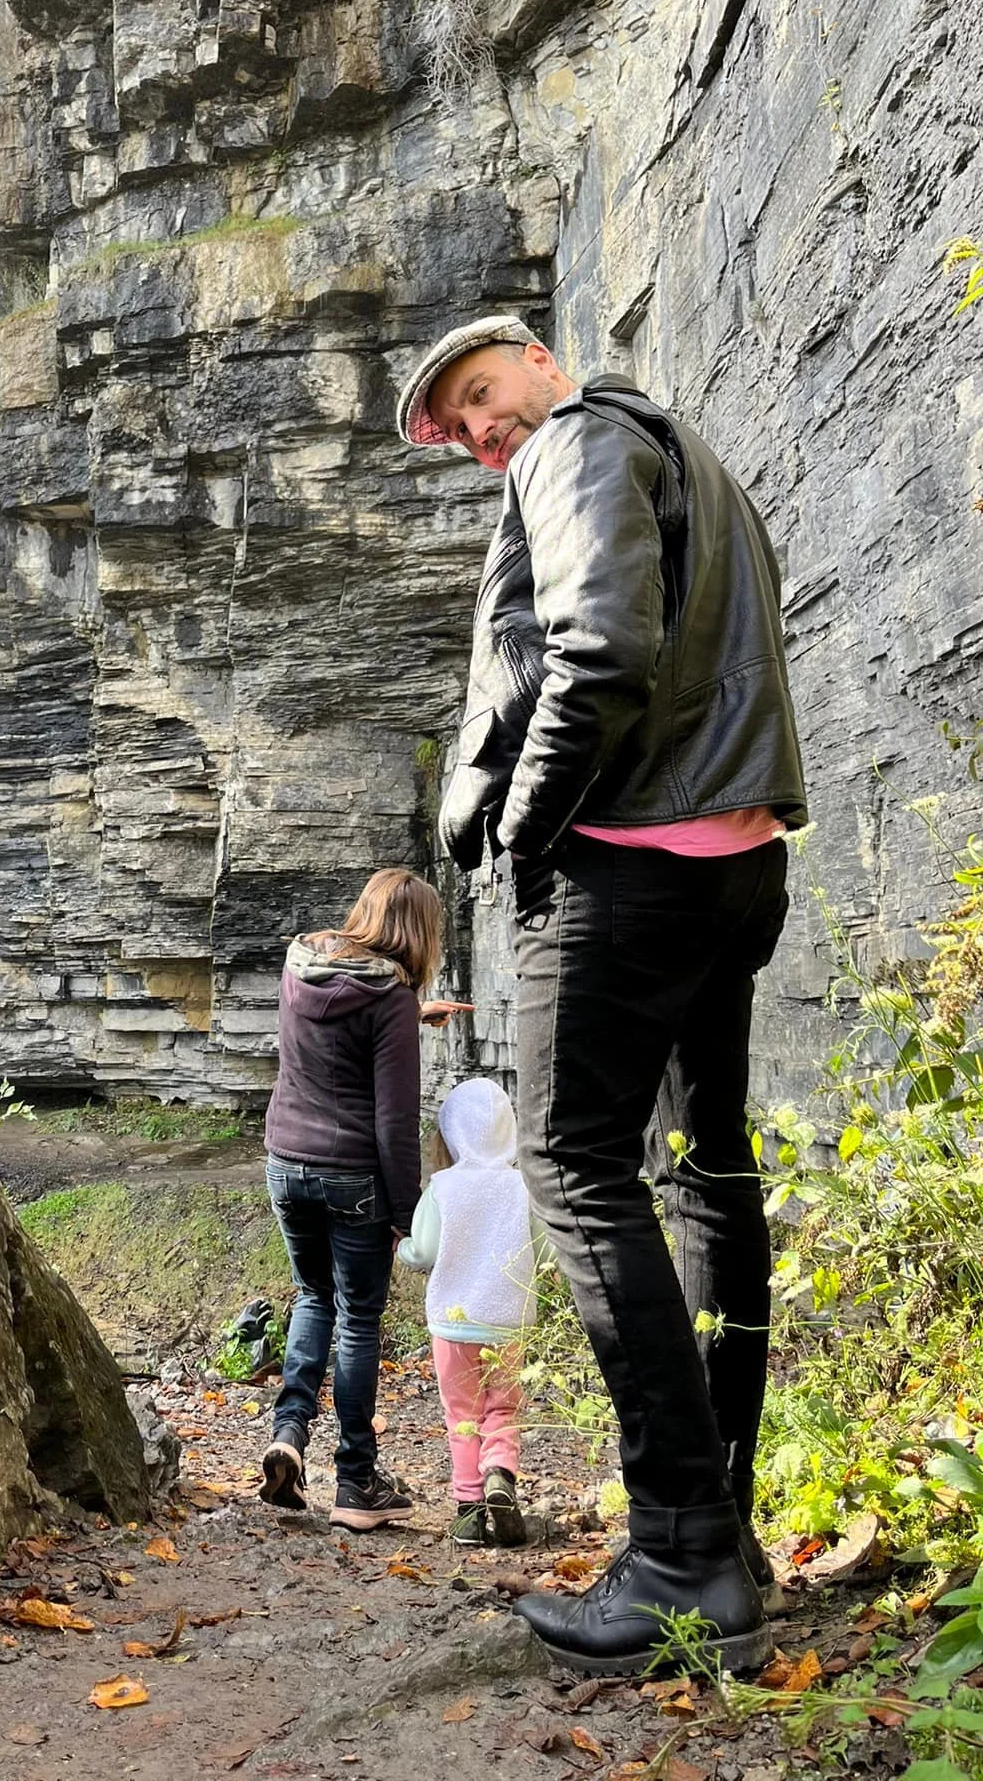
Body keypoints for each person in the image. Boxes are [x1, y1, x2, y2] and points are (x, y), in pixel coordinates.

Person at [395, 317, 807, 1673]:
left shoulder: (573, 443)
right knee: (706, 1170)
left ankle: (682, 1551)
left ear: (539, 357)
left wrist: (523, 831)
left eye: (478, 392)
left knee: (575, 1167)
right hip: (734, 855)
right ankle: (725, 1530)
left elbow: (602, 650)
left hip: (629, 863)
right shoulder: (688, 454)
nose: (479, 429)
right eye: (458, 428)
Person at [259, 867, 443, 1529]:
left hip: (286, 1160)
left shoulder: (300, 964)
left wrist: (410, 1017)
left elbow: (330, 1038)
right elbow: (395, 1121)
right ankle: (356, 1484)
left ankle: (288, 1434)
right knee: (359, 1320)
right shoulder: (389, 999)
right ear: (418, 933)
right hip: (353, 1175)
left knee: (313, 1296)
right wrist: (406, 1214)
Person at [397, 1078, 536, 1548]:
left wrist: (402, 1249)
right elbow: (544, 1249)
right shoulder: (522, 1187)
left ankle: (469, 1512)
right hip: (509, 1319)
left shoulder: (443, 1187)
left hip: (453, 1324)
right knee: (504, 1407)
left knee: (462, 1414)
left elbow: (423, 1251)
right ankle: (500, 1473)